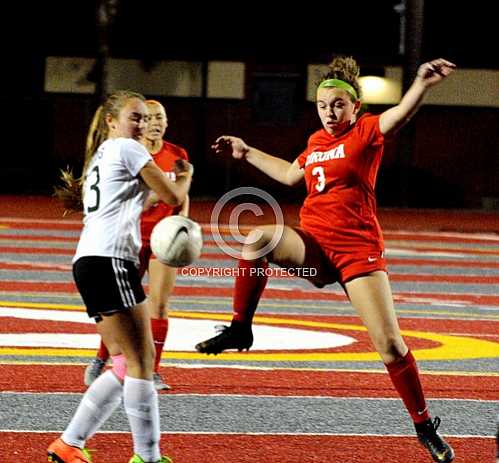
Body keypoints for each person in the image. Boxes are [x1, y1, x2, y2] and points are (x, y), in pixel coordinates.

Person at [195, 56, 456, 462]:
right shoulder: (317, 142)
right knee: (257, 238)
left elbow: (400, 116)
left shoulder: (366, 131)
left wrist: (421, 84)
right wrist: (246, 152)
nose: (330, 112)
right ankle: (240, 328)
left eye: (338, 105)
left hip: (357, 253)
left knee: (389, 345)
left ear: (355, 107)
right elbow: (288, 175)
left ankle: (423, 425)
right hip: (313, 249)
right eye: (322, 105)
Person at [48, 90, 192, 463]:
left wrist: (160, 193)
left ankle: (69, 443)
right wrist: (186, 176)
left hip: (90, 260)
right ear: (112, 120)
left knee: (124, 362)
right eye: (135, 117)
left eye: (145, 118)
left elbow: (135, 201)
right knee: (142, 360)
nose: (142, 124)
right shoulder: (129, 150)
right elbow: (174, 196)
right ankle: (148, 456)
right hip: (110, 260)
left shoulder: (103, 154)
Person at [84, 99, 190, 391]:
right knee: (123, 310)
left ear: (167, 122)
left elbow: (179, 199)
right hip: (128, 240)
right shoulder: (131, 150)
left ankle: (150, 371)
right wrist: (182, 181)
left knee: (158, 303)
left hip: (161, 238)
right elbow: (169, 194)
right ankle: (103, 357)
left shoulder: (173, 153)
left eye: (159, 117)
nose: (153, 123)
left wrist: (183, 226)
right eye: (147, 117)